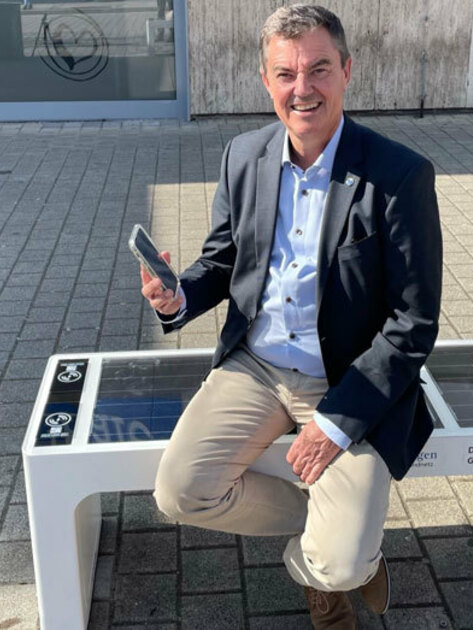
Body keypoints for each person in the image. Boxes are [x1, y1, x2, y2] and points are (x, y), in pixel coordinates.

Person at [138, 5, 442, 628]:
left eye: (318, 69)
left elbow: (414, 322)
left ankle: (325, 567)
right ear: (266, 80)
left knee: (341, 564)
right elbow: (223, 260)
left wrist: (335, 424)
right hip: (255, 365)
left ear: (347, 71)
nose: (302, 89)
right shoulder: (243, 156)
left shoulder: (399, 176)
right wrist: (179, 296)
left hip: (346, 377)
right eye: (285, 74)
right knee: (180, 492)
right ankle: (329, 527)